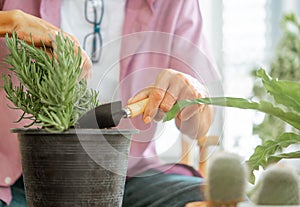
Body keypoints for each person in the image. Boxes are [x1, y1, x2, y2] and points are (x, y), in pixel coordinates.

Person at [0, 0, 221, 206]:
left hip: (128, 175)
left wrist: (192, 96)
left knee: (214, 198)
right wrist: (10, 21)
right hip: (22, 177)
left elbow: (201, 126)